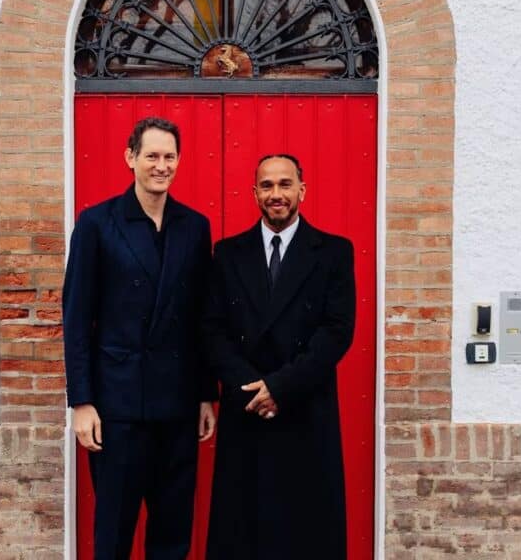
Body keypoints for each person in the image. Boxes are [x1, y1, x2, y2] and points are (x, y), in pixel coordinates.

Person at [62, 117, 218, 560]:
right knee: (113, 531)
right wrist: (82, 402)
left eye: (169, 156)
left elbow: (201, 318)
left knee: (172, 533)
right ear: (130, 157)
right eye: (152, 155)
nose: (161, 165)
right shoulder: (96, 224)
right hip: (117, 407)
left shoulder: (194, 226)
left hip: (176, 405)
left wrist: (207, 394)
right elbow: (77, 319)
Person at [203, 154, 356, 560]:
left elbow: (337, 332)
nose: (276, 194)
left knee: (305, 535)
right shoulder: (227, 253)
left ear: (301, 190)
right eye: (267, 186)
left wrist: (281, 387)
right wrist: (252, 389)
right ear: (254, 193)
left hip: (305, 410)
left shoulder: (334, 253)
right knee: (243, 533)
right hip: (247, 410)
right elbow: (213, 331)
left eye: (285, 184)